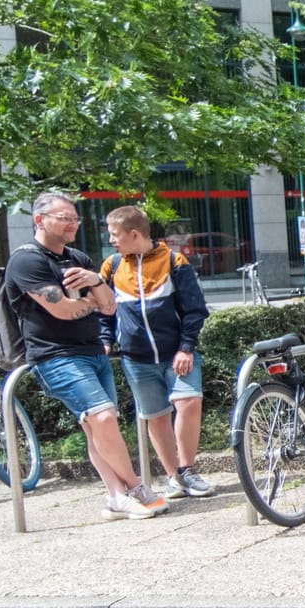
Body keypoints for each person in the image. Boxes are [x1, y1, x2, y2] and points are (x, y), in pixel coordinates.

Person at [4, 192, 168, 519]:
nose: (72, 224)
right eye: (64, 218)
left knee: (97, 427)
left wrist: (94, 281)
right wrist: (91, 303)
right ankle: (136, 487)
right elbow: (62, 310)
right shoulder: (27, 260)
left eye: (75, 218)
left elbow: (109, 305)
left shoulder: (78, 258)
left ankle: (115, 497)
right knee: (103, 417)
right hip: (55, 356)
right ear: (40, 220)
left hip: (93, 352)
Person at [102, 206, 214, 499]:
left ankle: (187, 469)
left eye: (115, 235)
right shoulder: (112, 266)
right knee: (156, 415)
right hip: (135, 358)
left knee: (188, 401)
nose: (111, 240)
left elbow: (194, 308)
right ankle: (173, 476)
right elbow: (103, 311)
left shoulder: (173, 261)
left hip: (175, 352)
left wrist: (186, 347)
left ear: (134, 233)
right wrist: (105, 339)